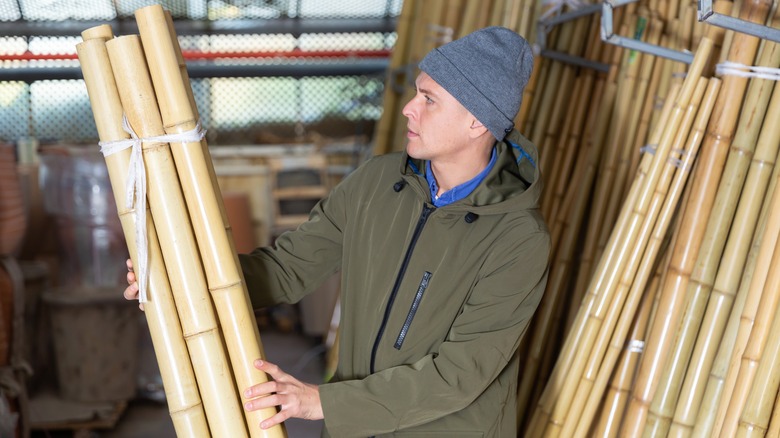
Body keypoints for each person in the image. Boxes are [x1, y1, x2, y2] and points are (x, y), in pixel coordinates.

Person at [124, 26, 550, 437]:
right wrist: (179, 283)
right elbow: (287, 269)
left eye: (429, 100)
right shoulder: (378, 183)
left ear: (477, 122)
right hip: (357, 430)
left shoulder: (518, 239)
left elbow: (459, 375)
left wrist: (321, 403)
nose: (408, 108)